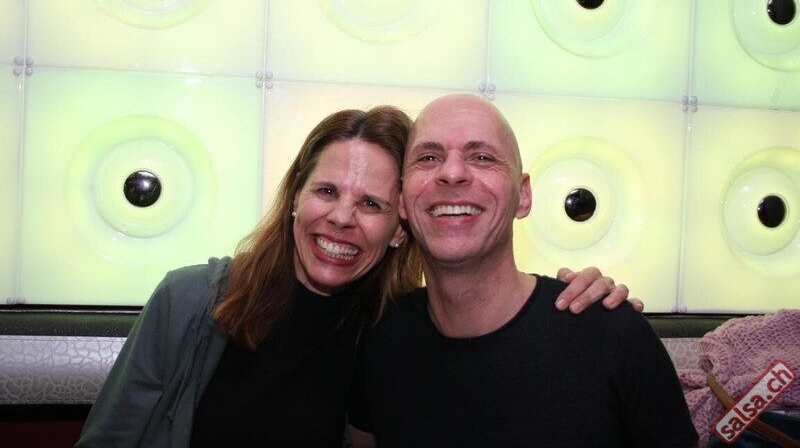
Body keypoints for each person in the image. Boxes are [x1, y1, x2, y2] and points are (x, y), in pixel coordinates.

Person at [76, 106, 630, 448]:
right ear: (296, 196)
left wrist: (581, 302)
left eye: (370, 203)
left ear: (399, 227)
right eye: (326, 191)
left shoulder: (393, 337)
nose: (342, 217)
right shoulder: (190, 301)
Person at [347, 95, 699, 447]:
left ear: (524, 195)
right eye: (428, 158)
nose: (451, 173)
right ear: (402, 201)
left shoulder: (613, 335)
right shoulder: (381, 340)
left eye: (482, 157)